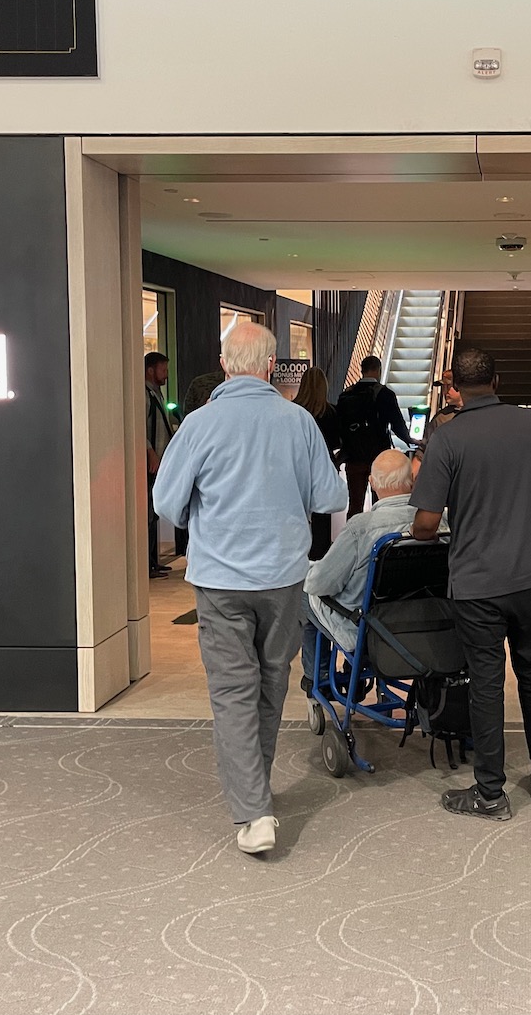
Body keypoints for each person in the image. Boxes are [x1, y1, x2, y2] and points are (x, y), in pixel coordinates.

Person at [153, 322, 347, 856]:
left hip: (219, 580)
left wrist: (206, 512)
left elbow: (166, 505)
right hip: (283, 578)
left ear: (223, 363)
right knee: (268, 686)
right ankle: (255, 798)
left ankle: (254, 808)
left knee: (233, 693)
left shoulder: (198, 424)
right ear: (269, 366)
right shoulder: (299, 422)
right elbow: (330, 497)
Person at [410, 347, 531, 821]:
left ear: (454, 385)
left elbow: (427, 524)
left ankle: (490, 793)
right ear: (497, 379)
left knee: (487, 682)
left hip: (478, 581)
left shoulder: (447, 439)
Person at [303, 450, 422, 653]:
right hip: (419, 627)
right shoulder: (435, 523)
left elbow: (320, 584)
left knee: (303, 589)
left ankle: (318, 677)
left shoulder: (361, 528)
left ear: (372, 482)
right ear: (411, 479)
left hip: (364, 631)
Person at [338, 355, 416, 517]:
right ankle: (378, 537)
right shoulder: (385, 394)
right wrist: (410, 440)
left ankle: (355, 538)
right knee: (381, 504)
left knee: (355, 505)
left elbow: (340, 426)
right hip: (379, 457)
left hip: (354, 457)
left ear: (362, 371)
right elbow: (397, 425)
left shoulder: (346, 395)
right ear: (378, 370)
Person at [294, 366, 342, 561]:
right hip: (325, 466)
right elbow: (337, 442)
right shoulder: (331, 412)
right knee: (323, 515)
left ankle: (298, 551)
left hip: (299, 466)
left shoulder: (294, 411)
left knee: (298, 510)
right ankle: (319, 555)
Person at [144, 352, 178, 578]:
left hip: (159, 464)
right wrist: (151, 454)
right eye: (163, 370)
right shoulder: (145, 394)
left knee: (152, 512)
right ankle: (146, 562)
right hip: (150, 464)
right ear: (150, 370)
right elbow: (140, 427)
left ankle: (153, 561)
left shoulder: (156, 394)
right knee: (146, 511)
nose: (166, 374)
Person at [424, 369, 462, 442]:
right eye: (443, 387)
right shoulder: (440, 418)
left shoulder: (477, 413)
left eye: (448, 386)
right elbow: (426, 447)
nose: (445, 391)